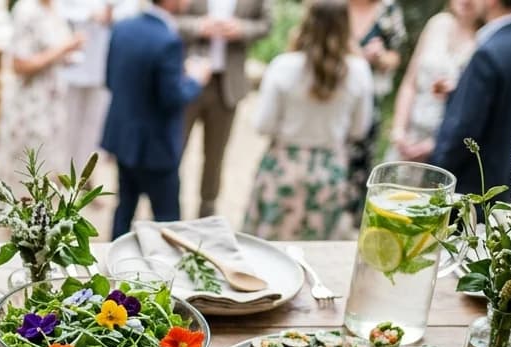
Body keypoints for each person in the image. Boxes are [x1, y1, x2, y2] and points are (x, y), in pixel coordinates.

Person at [243, 0, 373, 240]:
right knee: (316, 253)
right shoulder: (359, 71)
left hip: (283, 168)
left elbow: (263, 124)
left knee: (268, 247)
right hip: (328, 172)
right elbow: (359, 130)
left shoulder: (283, 66)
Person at [102, 0, 212, 237]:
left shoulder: (122, 27)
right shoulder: (168, 41)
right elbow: (172, 97)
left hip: (124, 139)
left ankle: (112, 264)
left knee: (123, 210)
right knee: (168, 220)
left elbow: (110, 80)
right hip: (156, 147)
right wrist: (195, 79)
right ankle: (167, 271)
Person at [174, 0, 275, 218]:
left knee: (215, 155)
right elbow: (166, 16)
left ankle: (206, 211)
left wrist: (242, 29)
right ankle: (167, 208)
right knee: (175, 148)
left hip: (227, 85)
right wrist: (198, 26)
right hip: (188, 78)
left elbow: (266, 24)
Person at [431, 0, 511, 196]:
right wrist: (460, 92)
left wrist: (436, 170)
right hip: (506, 183)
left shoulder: (488, 52)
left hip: (471, 190)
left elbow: (463, 130)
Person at [0, 0, 85, 182]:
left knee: (45, 174)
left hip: (51, 104)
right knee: (25, 174)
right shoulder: (26, 10)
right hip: (29, 107)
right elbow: (20, 64)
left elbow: (52, 53)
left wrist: (68, 53)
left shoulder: (55, 8)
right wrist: (64, 48)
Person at [386, 0, 481, 162]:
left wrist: (434, 144)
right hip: (409, 135)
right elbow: (410, 83)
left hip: (446, 144)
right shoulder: (438, 24)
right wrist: (399, 130)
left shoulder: (485, 40)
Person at [57, 0, 141, 173]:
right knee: (68, 121)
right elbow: (58, 9)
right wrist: (89, 15)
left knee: (94, 125)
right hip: (73, 60)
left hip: (104, 63)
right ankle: (63, 172)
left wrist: (111, 16)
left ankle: (84, 177)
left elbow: (131, 13)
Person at [345, 0, 406, 212]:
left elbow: (395, 57)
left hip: (368, 101)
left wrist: (380, 57)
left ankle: (349, 217)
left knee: (359, 161)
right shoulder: (333, 4)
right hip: (331, 97)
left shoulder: (388, 10)